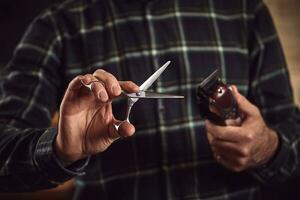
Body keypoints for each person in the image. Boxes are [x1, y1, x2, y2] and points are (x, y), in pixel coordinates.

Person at [0, 0, 299, 199]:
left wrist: (268, 146)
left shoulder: (244, 10)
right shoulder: (57, 25)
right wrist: (60, 149)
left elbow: (292, 138)